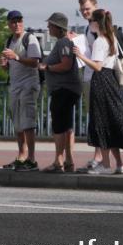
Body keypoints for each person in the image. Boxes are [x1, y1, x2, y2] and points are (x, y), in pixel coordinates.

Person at [73, 9, 123, 172]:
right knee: (112, 121)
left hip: (101, 81)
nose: (89, 23)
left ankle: (106, 164)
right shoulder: (111, 38)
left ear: (97, 22)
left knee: (101, 122)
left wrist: (81, 56)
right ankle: (119, 164)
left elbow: (97, 66)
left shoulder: (100, 40)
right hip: (111, 80)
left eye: (91, 20)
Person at [0, 10, 42, 171]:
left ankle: (31, 159)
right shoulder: (9, 40)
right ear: (8, 24)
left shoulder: (29, 38)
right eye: (13, 21)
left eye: (19, 21)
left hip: (29, 84)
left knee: (28, 122)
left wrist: (16, 57)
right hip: (15, 86)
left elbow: (35, 62)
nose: (17, 24)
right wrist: (5, 65)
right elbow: (9, 65)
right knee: (17, 123)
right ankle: (21, 156)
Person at [39, 12, 81, 173]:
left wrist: (47, 67)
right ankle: (68, 161)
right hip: (68, 89)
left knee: (58, 126)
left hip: (63, 89)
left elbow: (66, 64)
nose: (48, 27)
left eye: (50, 25)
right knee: (67, 126)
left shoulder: (63, 43)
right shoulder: (64, 42)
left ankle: (59, 161)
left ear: (58, 27)